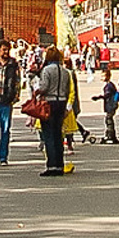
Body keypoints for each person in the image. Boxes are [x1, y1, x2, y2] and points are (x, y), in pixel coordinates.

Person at [33, 46, 76, 176]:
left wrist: (37, 87)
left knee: (49, 134)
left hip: (49, 102)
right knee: (58, 134)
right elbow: (68, 88)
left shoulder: (47, 70)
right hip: (61, 101)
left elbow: (44, 87)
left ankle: (51, 165)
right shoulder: (65, 71)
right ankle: (59, 163)